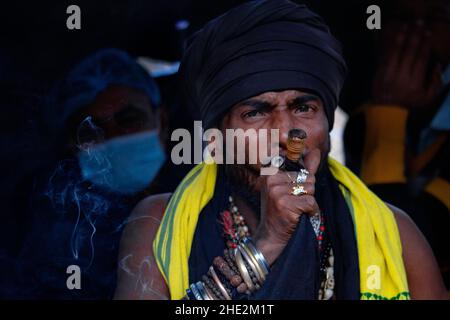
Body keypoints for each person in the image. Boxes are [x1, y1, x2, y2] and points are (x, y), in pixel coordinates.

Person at [115, 0, 448, 300]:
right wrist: (265, 245)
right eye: (256, 113)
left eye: (303, 108)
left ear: (328, 124)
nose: (286, 133)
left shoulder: (393, 232)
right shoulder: (158, 224)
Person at [11, 48, 166, 299]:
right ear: (74, 145)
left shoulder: (210, 196)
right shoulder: (57, 238)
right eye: (93, 130)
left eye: (129, 119)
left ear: (162, 121)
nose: (115, 137)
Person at [344, 0, 450, 288]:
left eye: (435, 18)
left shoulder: (381, 117)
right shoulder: (362, 122)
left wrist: (389, 112)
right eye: (403, 18)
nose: (417, 33)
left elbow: (398, 246)